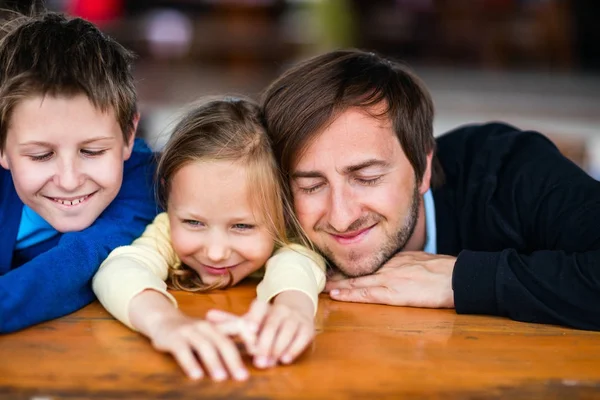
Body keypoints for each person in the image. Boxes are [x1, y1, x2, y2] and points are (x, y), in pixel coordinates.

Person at [261, 49, 600, 331]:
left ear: (422, 168)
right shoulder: (275, 206)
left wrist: (460, 281)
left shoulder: (509, 168)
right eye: (311, 185)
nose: (341, 216)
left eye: (367, 177)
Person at [92, 97, 326, 381]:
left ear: (282, 212)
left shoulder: (284, 237)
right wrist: (164, 322)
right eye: (193, 222)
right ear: (169, 196)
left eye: (241, 226)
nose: (215, 253)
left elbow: (298, 260)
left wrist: (293, 307)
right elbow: (119, 270)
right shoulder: (166, 231)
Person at [0, 12, 157, 333]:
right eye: (41, 155)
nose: (69, 180)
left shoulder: (147, 181)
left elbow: (81, 261)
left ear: (129, 134)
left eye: (92, 151)